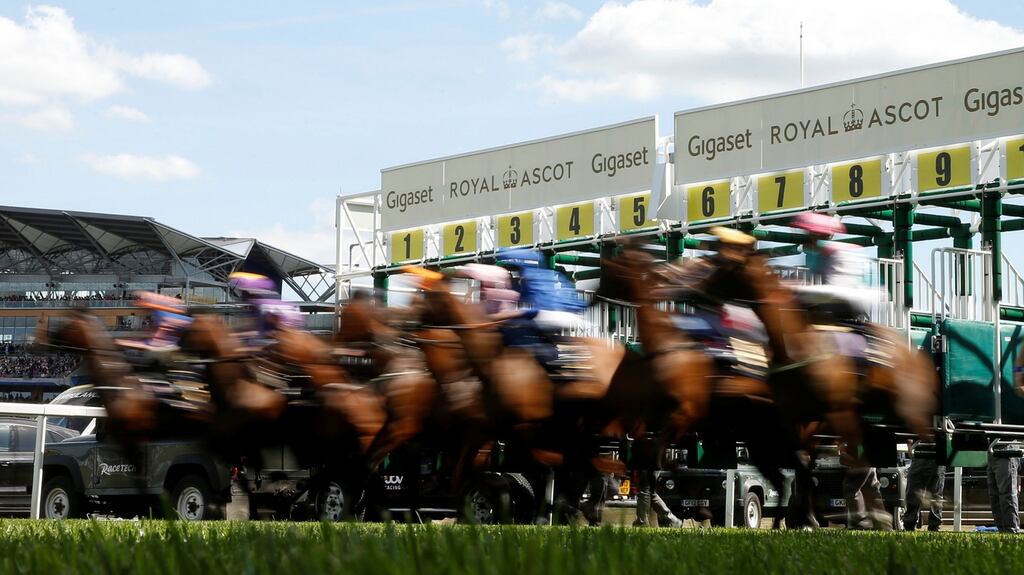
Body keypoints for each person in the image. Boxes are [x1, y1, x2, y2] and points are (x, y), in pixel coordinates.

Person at [903, 443, 945, 531]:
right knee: (913, 492)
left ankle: (934, 525)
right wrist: (909, 446)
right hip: (921, 454)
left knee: (935, 493)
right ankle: (909, 524)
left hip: (936, 454)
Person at [986, 441, 1021, 533]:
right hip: (992, 449)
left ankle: (1012, 531)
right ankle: (1002, 530)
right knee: (994, 495)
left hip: (1005, 448)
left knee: (1007, 494)